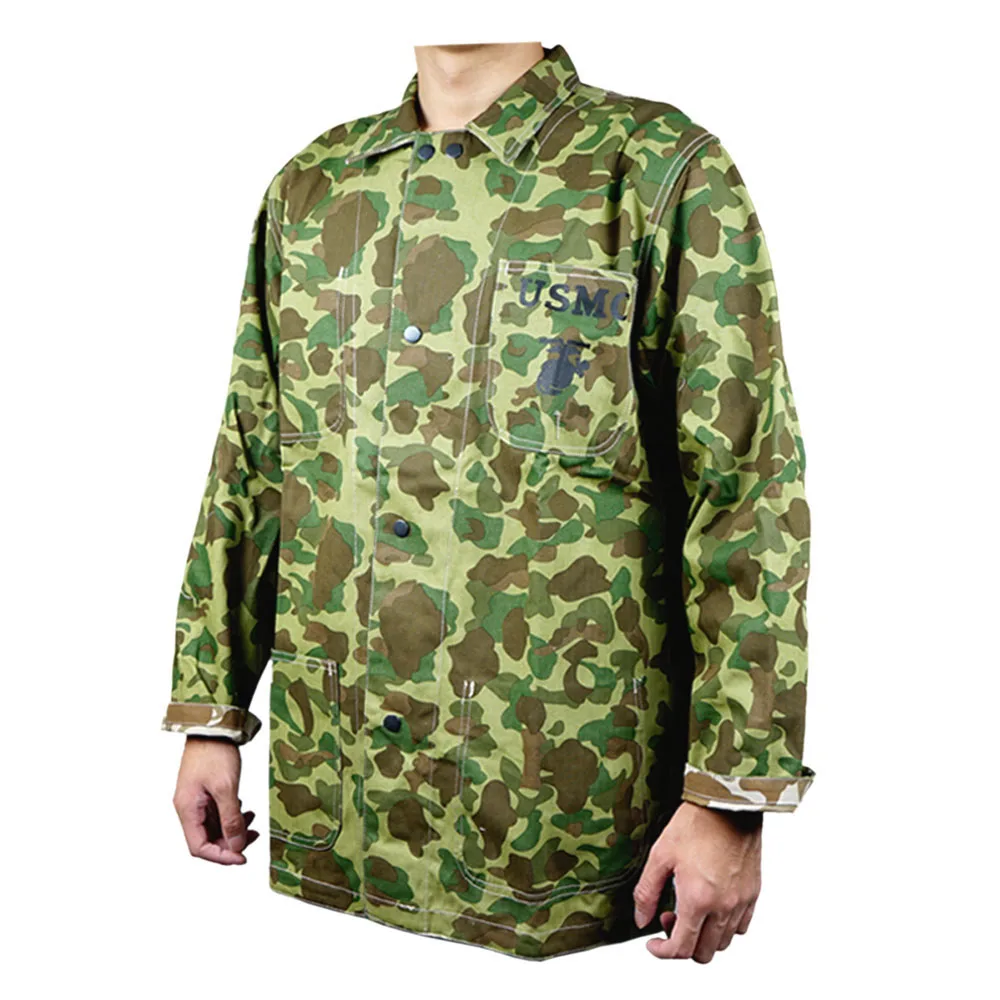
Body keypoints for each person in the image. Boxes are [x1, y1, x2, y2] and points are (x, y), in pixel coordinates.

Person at [162, 41, 815, 963]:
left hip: (567, 840)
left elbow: (747, 491)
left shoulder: (658, 173)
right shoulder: (313, 189)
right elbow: (253, 466)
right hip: (336, 815)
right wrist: (210, 712)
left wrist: (732, 795)